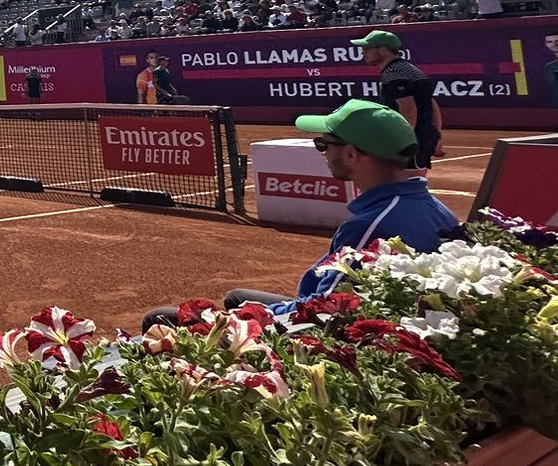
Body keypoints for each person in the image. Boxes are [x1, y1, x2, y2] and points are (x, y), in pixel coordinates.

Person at [144, 101, 457, 326]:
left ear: (351, 154)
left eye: (323, 144)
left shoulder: (369, 227)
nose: (322, 152)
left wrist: (241, 322)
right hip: (367, 313)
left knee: (159, 319)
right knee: (238, 296)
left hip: (316, 326)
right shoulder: (433, 207)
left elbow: (324, 310)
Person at [355, 29, 443, 168]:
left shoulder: (393, 73)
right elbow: (431, 104)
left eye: (368, 49)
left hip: (413, 139)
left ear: (383, 50)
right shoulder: (409, 69)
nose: (363, 53)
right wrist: (436, 135)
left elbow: (408, 109)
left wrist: (404, 142)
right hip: (423, 135)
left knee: (405, 178)